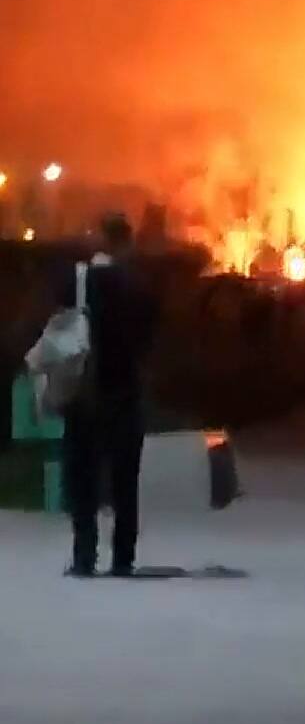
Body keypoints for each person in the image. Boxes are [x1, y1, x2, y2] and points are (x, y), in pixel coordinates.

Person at [63, 213, 155, 577]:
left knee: (82, 477)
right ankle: (122, 558)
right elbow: (147, 339)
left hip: (85, 391)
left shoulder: (77, 281)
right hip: (124, 390)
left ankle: (84, 556)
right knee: (125, 481)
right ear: (127, 242)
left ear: (99, 239)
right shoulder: (139, 286)